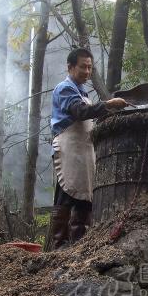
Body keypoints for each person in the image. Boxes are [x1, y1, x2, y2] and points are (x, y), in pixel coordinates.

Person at [47, 48, 127, 249]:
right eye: (83, 66)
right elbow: (80, 111)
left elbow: (89, 113)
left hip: (84, 151)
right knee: (66, 193)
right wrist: (108, 104)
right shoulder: (65, 89)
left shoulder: (82, 92)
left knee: (85, 197)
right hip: (69, 150)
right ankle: (60, 246)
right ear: (70, 67)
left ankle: (79, 244)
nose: (87, 71)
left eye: (90, 67)